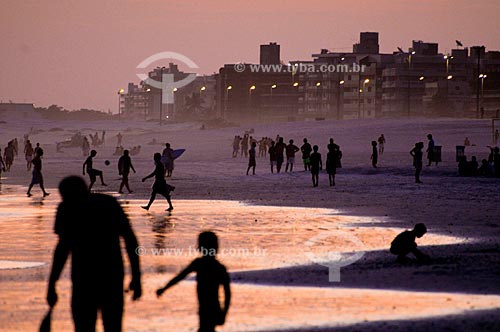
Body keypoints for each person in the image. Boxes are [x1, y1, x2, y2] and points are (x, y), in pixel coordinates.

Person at [46, 176, 142, 332]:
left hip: (84, 280)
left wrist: (52, 284)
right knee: (112, 326)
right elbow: (130, 240)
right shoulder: (108, 204)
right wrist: (136, 277)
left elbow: (62, 249)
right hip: (111, 277)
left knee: (84, 326)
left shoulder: (66, 209)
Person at [156, 231, 231, 332]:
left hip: (205, 309)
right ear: (217, 248)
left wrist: (164, 288)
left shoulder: (199, 264)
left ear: (200, 248)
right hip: (214, 308)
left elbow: (180, 276)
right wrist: (224, 313)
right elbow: (228, 294)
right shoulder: (220, 268)